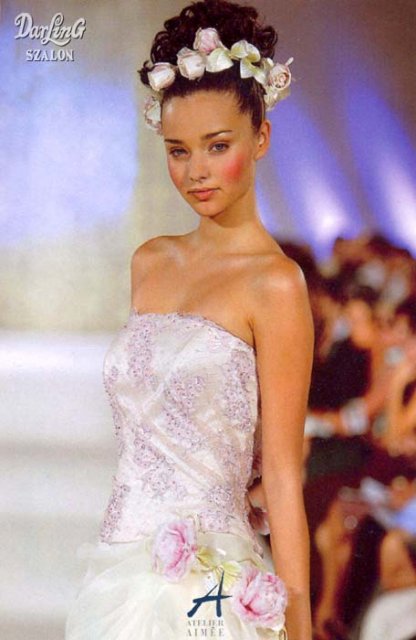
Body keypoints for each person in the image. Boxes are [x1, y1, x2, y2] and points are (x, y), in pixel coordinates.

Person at [65, 1, 314, 638]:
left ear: (261, 139)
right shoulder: (150, 262)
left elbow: (283, 477)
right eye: (178, 151)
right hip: (118, 573)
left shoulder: (276, 285)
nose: (196, 171)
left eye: (217, 146)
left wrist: (301, 628)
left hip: (212, 587)